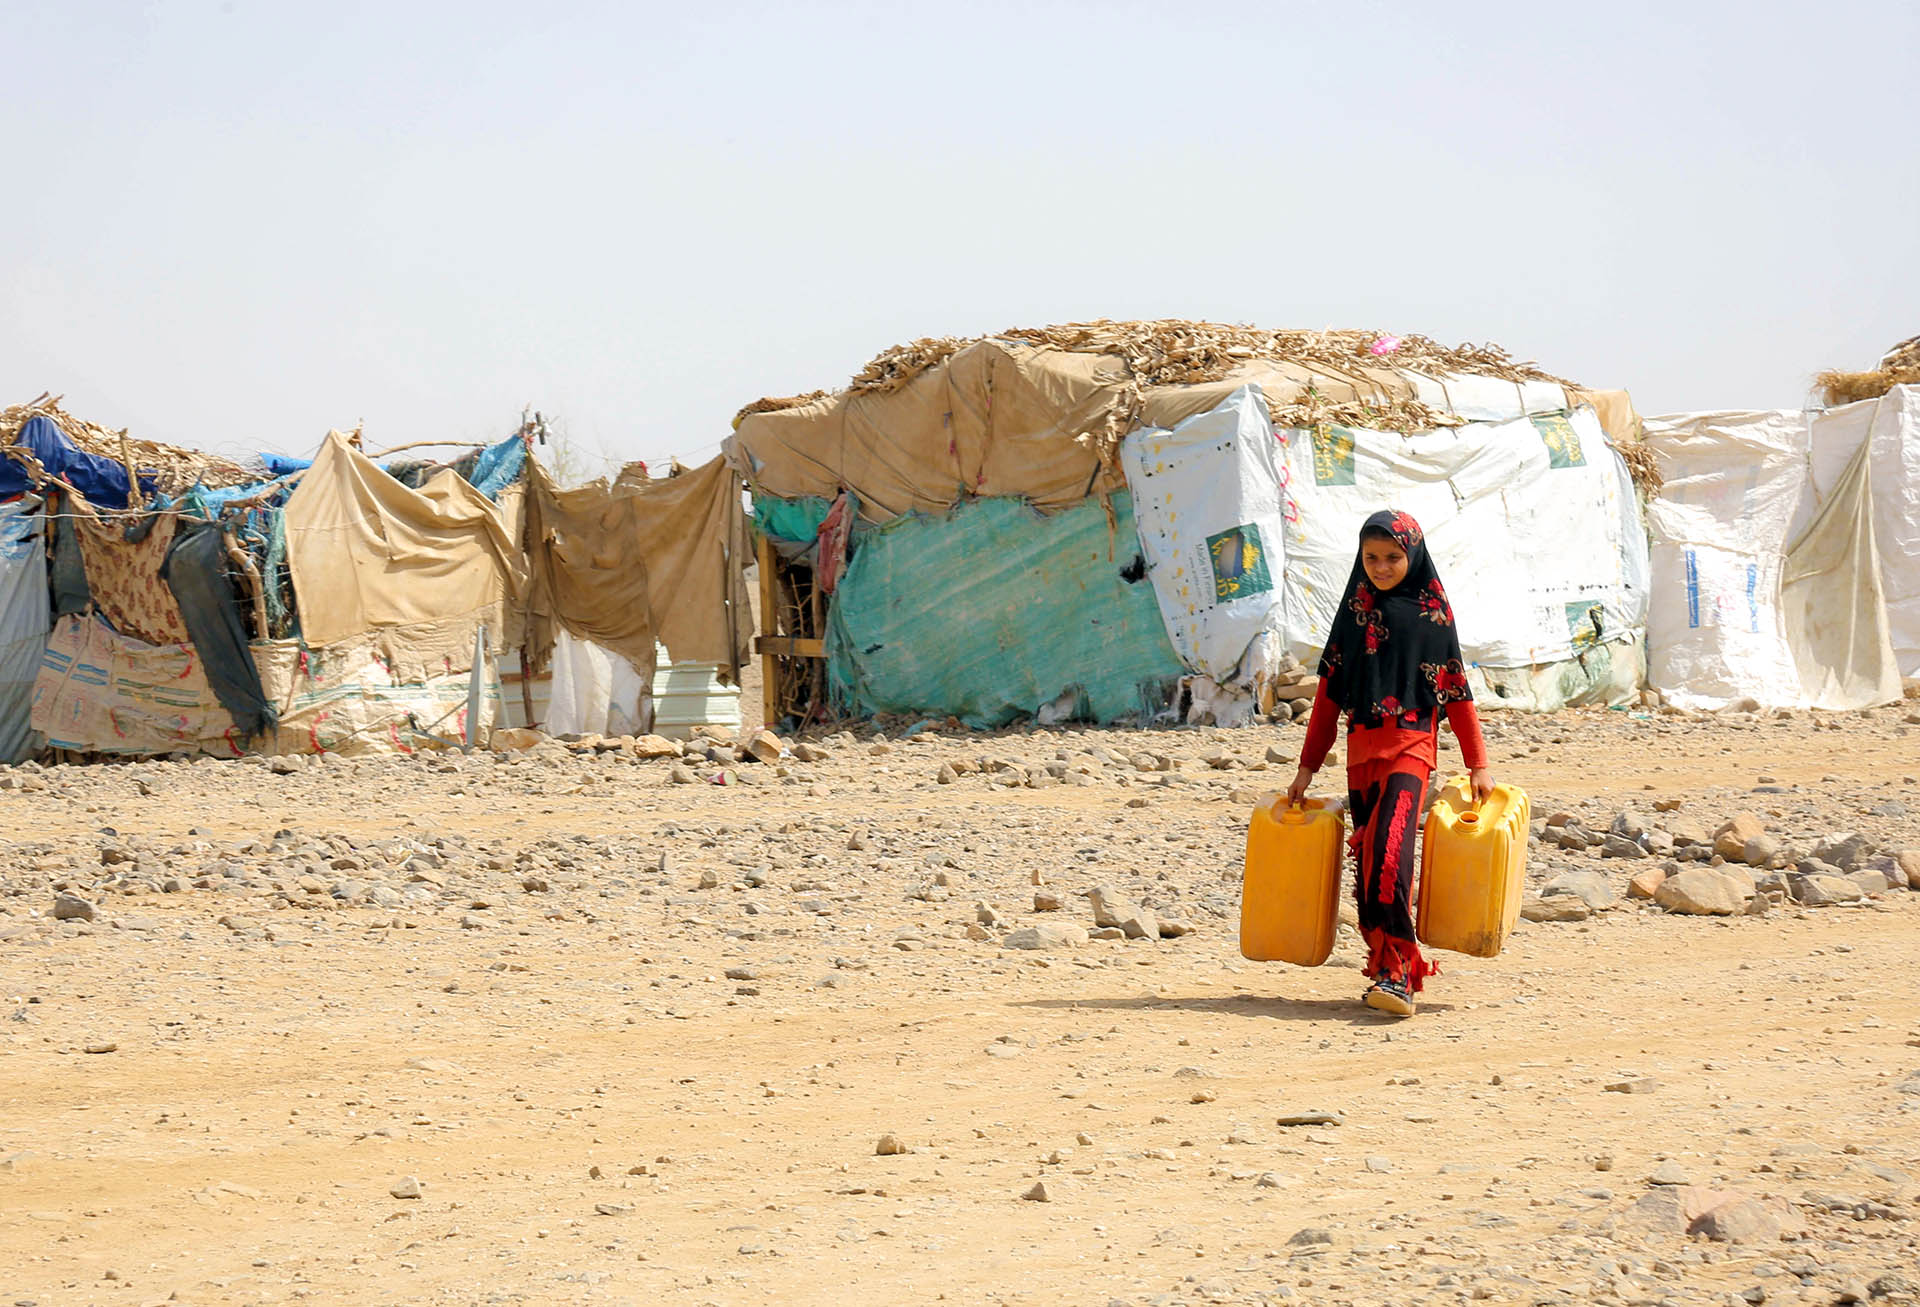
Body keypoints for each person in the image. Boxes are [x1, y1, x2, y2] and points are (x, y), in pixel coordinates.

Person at [1284, 509, 1493, 1017]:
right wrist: (1307, 768)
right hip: (1361, 758)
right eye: (1371, 557)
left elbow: (1456, 695)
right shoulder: (1354, 614)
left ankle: (1401, 971)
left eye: (1392, 557)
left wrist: (1477, 764)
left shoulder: (1433, 616)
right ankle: (1381, 968)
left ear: (1413, 555)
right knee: (1368, 866)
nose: (1380, 567)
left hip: (1412, 750)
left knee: (1390, 855)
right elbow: (1329, 697)